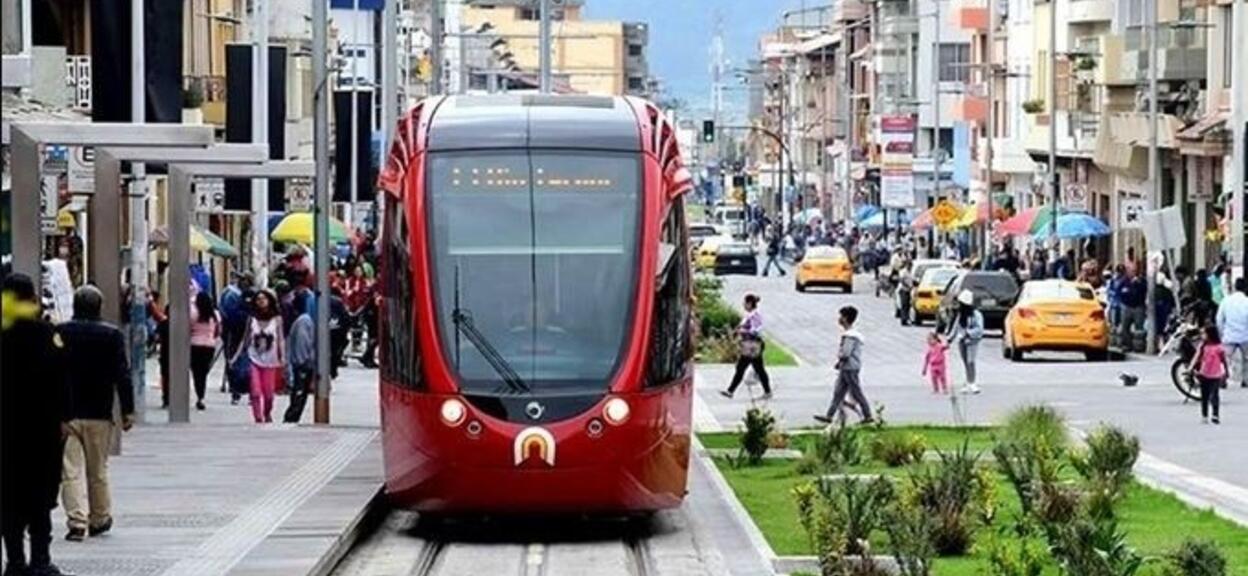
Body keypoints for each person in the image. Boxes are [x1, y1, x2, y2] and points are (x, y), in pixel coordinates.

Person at [2, 274, 72, 576]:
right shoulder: (48, 334)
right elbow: (62, 378)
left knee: (8, 497)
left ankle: (15, 561)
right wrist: (65, 417)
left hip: (6, 432)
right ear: (31, 299)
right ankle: (41, 559)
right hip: (41, 431)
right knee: (40, 496)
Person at [58, 285, 135, 542]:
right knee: (98, 469)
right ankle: (100, 517)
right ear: (99, 306)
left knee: (71, 469)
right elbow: (122, 374)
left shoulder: (61, 332)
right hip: (100, 411)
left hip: (67, 413)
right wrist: (128, 410)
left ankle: (77, 520)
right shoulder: (111, 335)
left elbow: (53, 372)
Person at [231, 290, 285, 423]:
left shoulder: (277, 319)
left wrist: (283, 356)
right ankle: (258, 418)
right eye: (258, 299)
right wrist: (235, 357)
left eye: (264, 299)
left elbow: (281, 339)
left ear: (269, 301)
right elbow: (245, 340)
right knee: (255, 392)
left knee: (269, 395)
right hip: (253, 358)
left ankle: (267, 413)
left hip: (271, 361)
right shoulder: (252, 319)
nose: (261, 301)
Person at [815, 306, 873, 424]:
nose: (839, 319)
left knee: (856, 392)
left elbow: (846, 353)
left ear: (846, 318)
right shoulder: (851, 334)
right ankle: (829, 415)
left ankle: (868, 415)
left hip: (850, 368)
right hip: (846, 367)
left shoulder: (850, 336)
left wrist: (840, 359)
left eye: (841, 316)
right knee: (838, 393)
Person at [720, 294, 772, 400]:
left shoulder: (754, 315)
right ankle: (767, 391)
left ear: (749, 303)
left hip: (752, 345)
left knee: (742, 367)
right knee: (758, 369)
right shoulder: (750, 314)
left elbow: (755, 330)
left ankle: (730, 390)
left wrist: (743, 331)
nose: (743, 305)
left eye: (745, 303)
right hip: (749, 345)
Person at [284, 290, 316, 423]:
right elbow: (302, 344)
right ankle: (291, 418)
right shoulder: (304, 321)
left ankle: (292, 417)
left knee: (300, 394)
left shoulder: (302, 320)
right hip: (302, 365)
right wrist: (304, 361)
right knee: (299, 394)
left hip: (301, 364)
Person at [946, 290, 985, 394]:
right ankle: (967, 382)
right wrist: (950, 339)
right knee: (965, 362)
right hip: (961, 341)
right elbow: (956, 326)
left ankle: (972, 382)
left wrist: (968, 333)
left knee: (970, 361)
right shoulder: (961, 315)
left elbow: (980, 329)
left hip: (972, 341)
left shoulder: (976, 315)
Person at [189, 292, 221, 411]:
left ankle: (200, 396)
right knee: (203, 372)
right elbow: (219, 331)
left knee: (197, 373)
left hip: (195, 345)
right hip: (209, 346)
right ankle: (201, 396)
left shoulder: (193, 314)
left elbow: (188, 328)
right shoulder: (215, 315)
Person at [1216, 277, 1248, 388]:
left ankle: (1223, 379)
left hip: (1229, 335)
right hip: (1245, 336)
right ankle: (1246, 380)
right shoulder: (1247, 302)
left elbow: (1219, 319)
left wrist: (1221, 333)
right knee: (1247, 359)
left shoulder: (1226, 301)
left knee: (1225, 359)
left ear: (1234, 287)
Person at [1190, 325, 1226, 424]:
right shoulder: (1203, 346)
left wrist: (1226, 372)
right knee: (1204, 396)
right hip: (1204, 373)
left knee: (1215, 395)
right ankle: (1204, 415)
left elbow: (1223, 360)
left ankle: (1215, 415)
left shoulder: (1219, 347)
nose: (1202, 335)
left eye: (1204, 333)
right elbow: (1196, 357)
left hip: (1216, 374)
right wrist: (1191, 368)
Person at [1118, 265, 1148, 352]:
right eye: (1131, 271)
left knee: (1139, 327)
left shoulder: (1141, 281)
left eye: (1134, 271)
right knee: (1125, 327)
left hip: (1138, 307)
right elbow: (1120, 291)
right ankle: (1127, 345)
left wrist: (1137, 283)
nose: (1132, 273)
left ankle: (1139, 346)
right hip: (1127, 306)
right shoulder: (1124, 281)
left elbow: (1144, 290)